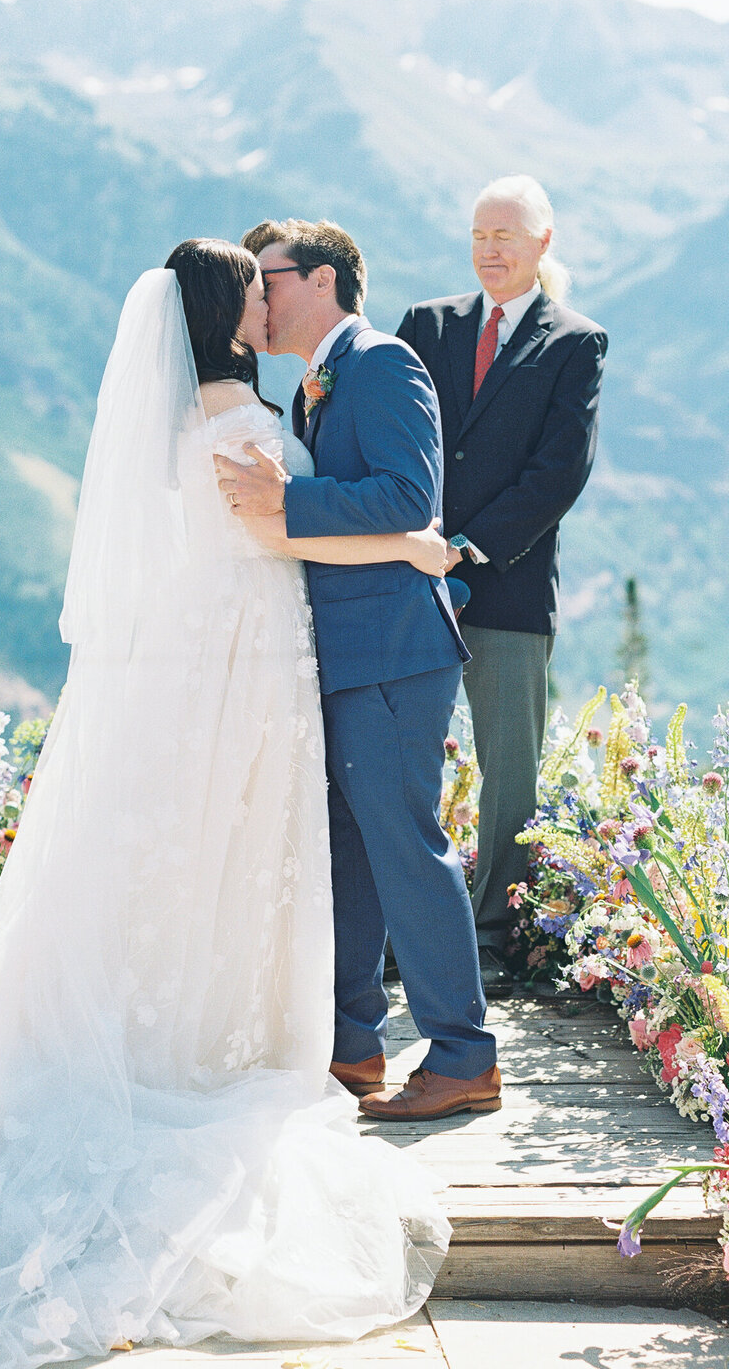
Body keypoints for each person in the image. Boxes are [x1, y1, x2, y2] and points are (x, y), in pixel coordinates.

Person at [0, 239, 454, 1368]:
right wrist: (417, 543)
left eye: (278, 284)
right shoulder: (241, 427)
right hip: (251, 668)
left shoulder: (184, 422)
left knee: (188, 853)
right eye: (253, 289)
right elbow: (275, 529)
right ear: (225, 313)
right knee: (242, 853)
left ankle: (182, 1028)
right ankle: (223, 1044)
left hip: (197, 664)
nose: (268, 300)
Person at [218, 219, 498, 1124]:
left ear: (326, 280)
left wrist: (287, 500)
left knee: (407, 847)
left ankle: (463, 1055)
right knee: (350, 851)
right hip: (340, 654)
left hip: (390, 653)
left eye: (269, 278)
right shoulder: (308, 388)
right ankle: (353, 1044)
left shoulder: (382, 363)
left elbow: (411, 496)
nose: (257, 297)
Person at [397, 177, 607, 995]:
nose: (491, 248)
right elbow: (405, 437)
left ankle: (495, 940)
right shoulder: (427, 325)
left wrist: (467, 549)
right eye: (480, 233)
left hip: (508, 588)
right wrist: (415, 544)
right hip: (408, 578)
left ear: (544, 241)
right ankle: (403, 928)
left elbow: (559, 474)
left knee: (508, 774)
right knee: (399, 759)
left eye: (508, 235)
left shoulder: (575, 341)